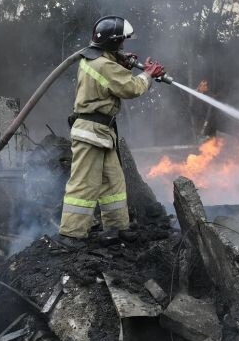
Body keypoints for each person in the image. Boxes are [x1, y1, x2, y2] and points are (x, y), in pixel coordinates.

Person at [57, 16, 166, 247]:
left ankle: (117, 228)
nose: (123, 47)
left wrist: (123, 63)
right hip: (91, 132)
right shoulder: (103, 65)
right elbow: (130, 88)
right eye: (121, 43)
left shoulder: (96, 59)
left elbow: (110, 77)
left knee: (113, 182)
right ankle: (71, 234)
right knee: (84, 183)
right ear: (112, 42)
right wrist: (148, 74)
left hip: (102, 133)